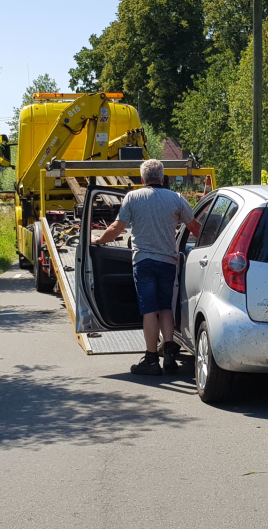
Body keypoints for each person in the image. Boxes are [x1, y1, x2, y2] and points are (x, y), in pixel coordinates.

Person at [92, 159, 201, 375]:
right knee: (166, 307)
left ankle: (151, 359)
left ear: (142, 179)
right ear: (162, 178)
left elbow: (116, 228)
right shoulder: (177, 199)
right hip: (169, 262)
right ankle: (169, 354)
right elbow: (196, 228)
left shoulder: (133, 198)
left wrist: (98, 242)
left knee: (149, 310)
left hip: (143, 262)